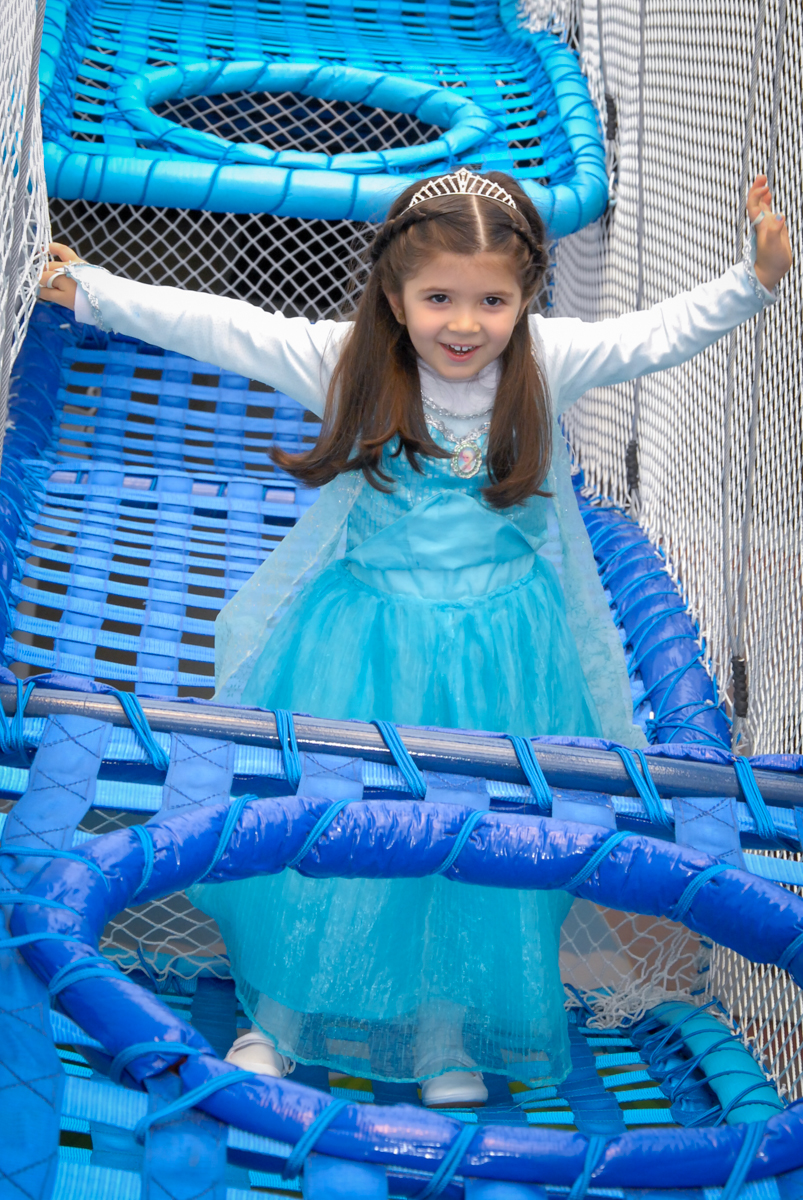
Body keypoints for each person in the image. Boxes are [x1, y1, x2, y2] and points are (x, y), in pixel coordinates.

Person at [40, 168, 791, 1107]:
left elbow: (654, 336)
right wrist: (92, 288)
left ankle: (447, 1031)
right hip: (365, 640)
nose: (464, 324)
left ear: (526, 299)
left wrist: (752, 279)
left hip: (501, 651)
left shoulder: (545, 362)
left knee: (477, 829)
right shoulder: (351, 357)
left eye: (492, 300)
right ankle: (281, 1015)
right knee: (328, 812)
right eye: (438, 298)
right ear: (394, 298)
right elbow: (224, 327)